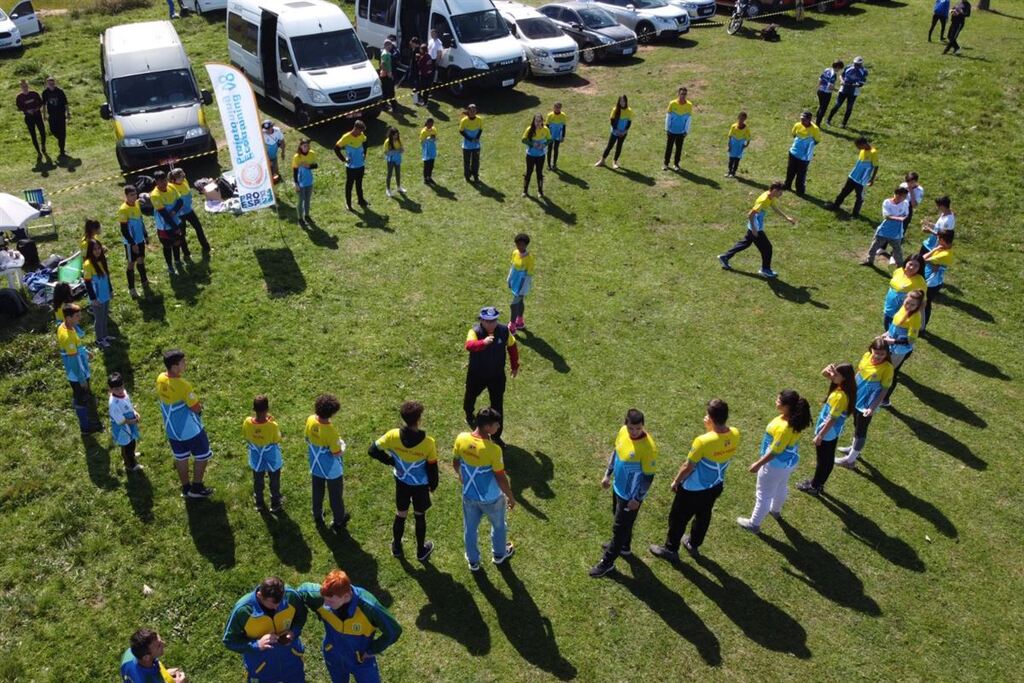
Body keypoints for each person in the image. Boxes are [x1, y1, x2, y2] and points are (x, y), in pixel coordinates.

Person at [649, 399, 740, 561]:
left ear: (711, 418)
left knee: (678, 518)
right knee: (703, 515)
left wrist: (676, 481)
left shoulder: (702, 441)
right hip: (715, 486)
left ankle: (671, 549)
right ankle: (693, 543)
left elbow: (688, 466)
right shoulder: (735, 433)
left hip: (694, 489)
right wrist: (710, 429)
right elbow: (718, 444)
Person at [297, 570, 402, 683]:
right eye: (324, 599)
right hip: (333, 655)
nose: (325, 604)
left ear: (346, 596)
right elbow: (299, 593)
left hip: (361, 660)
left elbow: (394, 631)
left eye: (330, 601)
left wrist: (372, 650)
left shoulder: (369, 607)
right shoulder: (320, 596)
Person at [589, 409, 658, 578]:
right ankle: (624, 547)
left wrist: (637, 498)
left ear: (643, 426)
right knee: (619, 519)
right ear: (625, 425)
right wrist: (607, 474)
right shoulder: (622, 432)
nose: (634, 432)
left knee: (619, 529)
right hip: (618, 488)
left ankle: (607, 563)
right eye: (631, 428)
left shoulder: (648, 448)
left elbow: (648, 477)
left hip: (631, 497)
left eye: (638, 428)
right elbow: (616, 453)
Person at [367, 400, 439, 561]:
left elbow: (372, 450)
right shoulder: (428, 443)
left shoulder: (392, 435)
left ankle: (397, 547)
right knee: (419, 515)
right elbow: (432, 468)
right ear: (419, 419)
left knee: (401, 514)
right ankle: (421, 551)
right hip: (420, 486)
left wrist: (391, 461)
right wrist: (433, 485)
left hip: (401, 482)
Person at [736, 390, 812, 533]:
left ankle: (754, 524)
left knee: (763, 495)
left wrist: (758, 464)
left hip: (774, 466)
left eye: (779, 400)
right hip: (787, 463)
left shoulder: (784, 428)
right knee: (781, 486)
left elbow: (775, 451)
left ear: (787, 406)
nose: (776, 401)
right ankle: (775, 511)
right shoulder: (792, 419)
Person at [453, 407, 516, 571]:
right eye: (497, 425)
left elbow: (455, 462)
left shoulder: (461, 438)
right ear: (488, 427)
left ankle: (473, 561)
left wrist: (461, 477)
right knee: (499, 526)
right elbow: (500, 478)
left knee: (470, 528)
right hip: (491, 498)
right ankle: (499, 554)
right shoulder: (494, 450)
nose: (499, 427)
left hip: (469, 495)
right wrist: (510, 496)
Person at [222, 577, 308, 683]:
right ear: (259, 595)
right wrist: (257, 645)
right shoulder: (243, 610)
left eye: (280, 602)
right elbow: (229, 641)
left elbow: (301, 616)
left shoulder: (291, 596)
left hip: (291, 659)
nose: (278, 607)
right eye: (272, 603)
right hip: (261, 668)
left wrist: (293, 632)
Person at [156, 349, 213, 498]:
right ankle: (197, 488)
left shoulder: (161, 378)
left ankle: (186, 488)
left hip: (172, 431)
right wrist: (200, 408)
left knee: (181, 457)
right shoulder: (183, 385)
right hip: (190, 431)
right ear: (174, 367)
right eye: (183, 362)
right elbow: (195, 407)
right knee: (202, 455)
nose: (185, 364)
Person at [797, 363, 857, 496]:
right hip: (833, 431)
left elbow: (832, 419)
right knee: (828, 458)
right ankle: (818, 483)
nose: (832, 376)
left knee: (823, 460)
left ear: (844, 377)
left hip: (828, 431)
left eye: (836, 374)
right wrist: (830, 369)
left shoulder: (840, 397)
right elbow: (824, 373)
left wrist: (820, 436)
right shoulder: (844, 386)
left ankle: (815, 486)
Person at [463, 306, 520, 445]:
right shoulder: (475, 331)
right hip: (477, 375)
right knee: (470, 395)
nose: (491, 324)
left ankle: (496, 436)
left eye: (493, 320)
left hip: (497, 376)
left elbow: (512, 347)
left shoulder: (503, 331)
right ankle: (469, 415)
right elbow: (469, 345)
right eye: (487, 321)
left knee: (498, 405)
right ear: (481, 320)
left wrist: (514, 366)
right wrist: (483, 342)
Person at [834, 337, 894, 468]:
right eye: (876, 352)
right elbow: (859, 372)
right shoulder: (867, 356)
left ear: (887, 353)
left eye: (882, 354)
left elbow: (884, 390)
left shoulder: (888, 368)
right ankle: (854, 450)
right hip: (857, 396)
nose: (878, 356)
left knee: (861, 429)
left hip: (868, 403)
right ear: (871, 350)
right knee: (856, 423)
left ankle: (850, 461)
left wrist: (872, 407)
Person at [718, 180, 796, 279]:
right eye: (780, 192)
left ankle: (725, 257)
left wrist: (786, 218)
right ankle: (765, 269)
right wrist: (755, 229)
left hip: (755, 226)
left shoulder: (770, 196)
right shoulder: (764, 200)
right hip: (756, 227)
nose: (782, 194)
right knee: (767, 248)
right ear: (775, 190)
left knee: (745, 243)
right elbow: (750, 214)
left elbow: (774, 207)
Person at [57, 304, 102, 434]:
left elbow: (77, 346)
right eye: (77, 316)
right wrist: (81, 378)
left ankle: (84, 409)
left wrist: (86, 352)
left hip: (78, 368)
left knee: (81, 395)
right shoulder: (68, 337)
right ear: (68, 317)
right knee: (80, 399)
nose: (80, 318)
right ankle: (86, 427)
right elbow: (73, 361)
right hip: (77, 373)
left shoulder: (64, 326)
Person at [306, 393, 349, 531]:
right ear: (332, 413)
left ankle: (317, 514)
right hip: (331, 470)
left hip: (316, 465)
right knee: (335, 496)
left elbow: (307, 438)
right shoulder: (330, 432)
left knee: (317, 491)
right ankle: (339, 520)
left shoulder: (310, 419)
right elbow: (337, 453)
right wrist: (343, 445)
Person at [880, 290, 924, 407]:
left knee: (891, 373)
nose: (909, 306)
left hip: (899, 350)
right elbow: (894, 325)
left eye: (913, 305)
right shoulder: (903, 308)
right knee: (885, 369)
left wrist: (893, 341)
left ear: (918, 306)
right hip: (891, 345)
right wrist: (886, 334)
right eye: (907, 302)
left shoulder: (915, 317)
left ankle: (885, 399)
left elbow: (911, 340)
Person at [243, 394, 284, 513]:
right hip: (271, 458)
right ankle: (275, 503)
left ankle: (259, 503)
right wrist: (271, 422)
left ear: (254, 409)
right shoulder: (272, 425)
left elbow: (246, 435)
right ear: (267, 409)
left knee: (258, 479)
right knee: (274, 480)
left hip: (256, 457)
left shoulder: (247, 422)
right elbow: (277, 439)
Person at [149, 171, 188, 275]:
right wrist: (175, 228)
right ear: (156, 182)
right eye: (161, 181)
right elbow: (165, 215)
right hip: (164, 226)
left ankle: (177, 260)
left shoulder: (171, 186)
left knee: (177, 242)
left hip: (176, 220)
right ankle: (170, 266)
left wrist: (174, 211)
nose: (164, 183)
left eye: (165, 180)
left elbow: (180, 201)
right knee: (167, 246)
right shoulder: (155, 195)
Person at [829, 137, 878, 217]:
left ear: (864, 144)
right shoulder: (862, 150)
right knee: (844, 192)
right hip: (853, 176)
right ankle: (835, 206)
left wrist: (872, 179)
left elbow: (876, 166)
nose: (858, 148)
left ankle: (855, 214)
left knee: (859, 197)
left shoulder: (873, 153)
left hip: (861, 180)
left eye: (859, 146)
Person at [862, 186, 910, 266]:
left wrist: (902, 217)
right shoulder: (887, 202)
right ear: (897, 195)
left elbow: (906, 214)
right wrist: (898, 218)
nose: (904, 198)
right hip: (884, 230)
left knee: (897, 250)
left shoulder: (905, 203)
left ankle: (900, 266)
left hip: (896, 232)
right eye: (903, 196)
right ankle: (869, 261)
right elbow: (886, 216)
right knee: (874, 247)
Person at [120, 629, 186, 683]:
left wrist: (164, 672)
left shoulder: (129, 653)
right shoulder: (149, 680)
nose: (164, 644)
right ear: (146, 657)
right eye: (159, 646)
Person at [118, 185, 150, 296]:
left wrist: (145, 235)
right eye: (131, 195)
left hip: (140, 239)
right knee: (131, 263)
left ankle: (144, 281)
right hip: (131, 243)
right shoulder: (123, 210)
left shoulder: (137, 203)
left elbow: (141, 220)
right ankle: (131, 289)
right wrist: (132, 243)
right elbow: (124, 230)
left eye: (135, 194)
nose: (134, 196)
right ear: (126, 196)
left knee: (141, 259)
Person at [169, 168, 211, 254]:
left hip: (189, 211)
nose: (183, 177)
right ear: (174, 179)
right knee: (182, 234)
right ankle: (186, 253)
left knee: (198, 228)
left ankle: (206, 247)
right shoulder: (171, 188)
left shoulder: (184, 181)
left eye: (183, 175)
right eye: (180, 176)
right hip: (179, 214)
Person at [82, 238, 114, 348]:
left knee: (104, 316)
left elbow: (107, 277)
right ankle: (99, 340)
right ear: (90, 250)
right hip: (97, 297)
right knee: (99, 319)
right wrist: (94, 299)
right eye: (94, 249)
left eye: (99, 248)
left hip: (105, 293)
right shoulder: (87, 264)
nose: (97, 251)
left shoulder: (102, 259)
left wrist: (110, 290)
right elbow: (88, 284)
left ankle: (105, 336)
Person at [109, 372, 143, 473]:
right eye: (116, 389)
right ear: (110, 389)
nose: (119, 391)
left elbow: (129, 405)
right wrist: (133, 421)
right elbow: (120, 420)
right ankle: (130, 465)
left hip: (130, 425)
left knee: (132, 442)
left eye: (121, 387)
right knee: (126, 445)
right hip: (123, 429)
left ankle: (131, 454)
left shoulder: (124, 393)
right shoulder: (113, 404)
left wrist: (135, 412)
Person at [882, 254, 927, 330]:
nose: (912, 267)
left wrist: (915, 317)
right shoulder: (898, 271)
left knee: (895, 332)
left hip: (902, 312)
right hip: (889, 307)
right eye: (910, 264)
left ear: (920, 268)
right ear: (906, 262)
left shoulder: (920, 281)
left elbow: (923, 302)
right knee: (886, 325)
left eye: (916, 266)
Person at [922, 230, 954, 330]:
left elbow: (923, 258)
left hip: (931, 283)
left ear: (943, 240)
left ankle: (922, 327)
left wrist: (934, 250)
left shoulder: (944, 254)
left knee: (925, 304)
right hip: (930, 279)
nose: (937, 240)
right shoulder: (944, 249)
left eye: (939, 238)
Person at [783, 110, 821, 195]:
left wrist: (806, 146)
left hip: (804, 157)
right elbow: (794, 134)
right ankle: (787, 185)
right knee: (790, 171)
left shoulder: (815, 129)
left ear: (809, 120)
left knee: (801, 175)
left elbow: (817, 140)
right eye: (801, 119)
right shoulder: (797, 125)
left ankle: (800, 190)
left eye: (804, 119)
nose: (802, 121)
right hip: (793, 153)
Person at [336, 121, 370, 210]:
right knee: (349, 185)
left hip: (360, 165)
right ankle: (348, 204)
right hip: (351, 167)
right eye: (360, 131)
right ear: (355, 129)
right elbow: (336, 148)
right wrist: (344, 159)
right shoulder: (346, 137)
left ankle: (361, 200)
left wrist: (364, 154)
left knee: (359, 184)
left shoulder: (361, 135)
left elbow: (365, 142)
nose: (361, 134)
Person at [828, 56, 868, 128]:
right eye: (855, 64)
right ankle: (828, 120)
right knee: (837, 105)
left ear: (861, 64)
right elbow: (841, 75)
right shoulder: (848, 67)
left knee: (849, 108)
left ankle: (843, 124)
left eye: (858, 65)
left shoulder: (864, 71)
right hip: (844, 89)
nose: (856, 66)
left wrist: (857, 84)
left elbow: (862, 82)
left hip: (854, 92)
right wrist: (842, 81)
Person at [507, 233, 534, 334]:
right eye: (518, 244)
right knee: (520, 302)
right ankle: (520, 321)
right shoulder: (515, 253)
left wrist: (522, 289)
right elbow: (513, 267)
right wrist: (509, 279)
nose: (519, 247)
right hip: (515, 282)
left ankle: (512, 326)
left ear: (526, 245)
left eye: (522, 245)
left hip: (522, 285)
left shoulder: (530, 259)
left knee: (513, 305)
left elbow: (528, 276)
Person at [595, 95, 632, 169]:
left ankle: (615, 162)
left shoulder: (629, 111)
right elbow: (612, 121)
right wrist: (616, 130)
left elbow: (629, 122)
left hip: (623, 133)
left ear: (626, 101)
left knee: (619, 146)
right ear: (619, 102)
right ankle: (602, 160)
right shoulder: (615, 110)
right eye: (621, 101)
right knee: (609, 146)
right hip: (615, 132)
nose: (622, 103)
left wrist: (625, 131)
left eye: (623, 101)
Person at [663, 87, 692, 171]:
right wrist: (667, 128)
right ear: (678, 94)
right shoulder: (672, 103)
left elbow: (688, 119)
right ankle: (666, 163)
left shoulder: (689, 105)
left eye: (685, 94)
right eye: (682, 94)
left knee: (679, 149)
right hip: (671, 131)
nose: (683, 96)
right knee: (669, 147)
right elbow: (668, 117)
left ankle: (676, 164)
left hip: (681, 132)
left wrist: (686, 131)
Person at [521, 113, 550, 198]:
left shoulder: (545, 129)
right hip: (530, 155)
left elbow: (549, 139)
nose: (537, 123)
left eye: (539, 121)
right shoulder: (529, 129)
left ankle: (540, 191)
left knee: (539, 173)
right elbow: (523, 140)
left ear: (542, 121)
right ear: (533, 121)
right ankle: (525, 191)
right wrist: (532, 144)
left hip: (541, 155)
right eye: (536, 121)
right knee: (528, 172)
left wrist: (544, 145)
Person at [15, 79, 47, 156]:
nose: (25, 88)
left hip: (38, 116)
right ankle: (38, 152)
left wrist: (36, 109)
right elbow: (19, 107)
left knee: (42, 132)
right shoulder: (19, 97)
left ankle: (43, 146)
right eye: (23, 87)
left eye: (26, 86)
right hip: (29, 118)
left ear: (28, 86)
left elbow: (41, 103)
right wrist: (27, 110)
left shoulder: (34, 94)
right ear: (21, 87)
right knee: (33, 135)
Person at [42, 76, 70, 157]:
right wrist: (44, 115)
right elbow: (44, 105)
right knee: (53, 130)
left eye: (52, 83)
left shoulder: (60, 91)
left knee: (63, 133)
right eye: (49, 83)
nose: (51, 84)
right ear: (47, 84)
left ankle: (62, 150)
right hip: (52, 115)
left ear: (55, 83)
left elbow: (66, 103)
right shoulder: (45, 93)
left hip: (61, 115)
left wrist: (68, 113)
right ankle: (60, 139)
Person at [292, 137, 318, 223]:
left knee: (307, 199)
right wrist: (296, 184)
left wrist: (309, 166)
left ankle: (307, 215)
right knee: (300, 200)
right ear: (300, 147)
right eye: (304, 146)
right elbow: (295, 171)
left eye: (307, 146)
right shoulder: (297, 157)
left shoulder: (312, 154)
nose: (306, 148)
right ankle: (300, 218)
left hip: (309, 181)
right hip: (300, 182)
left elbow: (316, 165)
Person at [459, 104, 484, 183]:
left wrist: (477, 138)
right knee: (467, 162)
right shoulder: (464, 120)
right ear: (468, 111)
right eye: (471, 110)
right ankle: (467, 176)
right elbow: (461, 131)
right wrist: (469, 139)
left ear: (476, 111)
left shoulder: (479, 120)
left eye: (474, 110)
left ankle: (475, 176)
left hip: (476, 145)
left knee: (476, 162)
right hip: (466, 146)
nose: (473, 112)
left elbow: (480, 129)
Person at [815, 60, 843, 126]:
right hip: (826, 93)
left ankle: (816, 119)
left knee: (821, 106)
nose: (840, 70)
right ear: (837, 67)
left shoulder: (827, 69)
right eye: (840, 68)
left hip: (820, 91)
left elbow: (820, 79)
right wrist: (837, 90)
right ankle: (817, 124)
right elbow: (830, 86)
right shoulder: (834, 75)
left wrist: (819, 87)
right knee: (823, 109)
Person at [725, 111, 750, 178]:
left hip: (740, 146)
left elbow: (748, 137)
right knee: (731, 160)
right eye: (740, 118)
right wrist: (729, 145)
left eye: (743, 119)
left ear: (745, 119)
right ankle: (729, 171)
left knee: (736, 160)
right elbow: (730, 136)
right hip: (733, 145)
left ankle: (733, 173)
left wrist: (746, 145)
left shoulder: (746, 128)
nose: (741, 120)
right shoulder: (733, 126)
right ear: (738, 118)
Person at [383, 127, 406, 198]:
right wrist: (396, 151)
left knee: (398, 173)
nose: (396, 136)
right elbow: (386, 153)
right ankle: (388, 189)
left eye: (397, 135)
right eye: (395, 135)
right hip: (390, 160)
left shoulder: (399, 141)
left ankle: (399, 187)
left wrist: (399, 150)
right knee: (389, 174)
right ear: (391, 135)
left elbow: (402, 150)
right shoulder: (387, 142)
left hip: (398, 159)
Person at [545, 102, 566, 171]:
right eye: (556, 107)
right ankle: (548, 165)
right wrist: (547, 136)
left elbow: (564, 126)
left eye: (559, 107)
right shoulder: (550, 115)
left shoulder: (563, 115)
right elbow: (547, 126)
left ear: (560, 108)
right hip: (551, 135)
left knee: (556, 149)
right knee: (549, 149)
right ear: (553, 107)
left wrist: (563, 136)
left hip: (558, 135)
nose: (557, 109)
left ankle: (554, 164)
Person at [379, 40, 395, 113]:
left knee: (386, 90)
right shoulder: (385, 54)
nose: (391, 47)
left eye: (391, 45)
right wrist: (388, 72)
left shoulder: (386, 53)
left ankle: (384, 105)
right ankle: (388, 106)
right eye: (390, 45)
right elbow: (382, 64)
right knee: (389, 91)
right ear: (386, 46)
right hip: (386, 75)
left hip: (386, 74)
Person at [420, 118, 437, 184]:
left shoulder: (434, 129)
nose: (431, 125)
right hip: (426, 150)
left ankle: (429, 177)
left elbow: (435, 137)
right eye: (429, 124)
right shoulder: (423, 131)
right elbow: (421, 142)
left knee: (431, 164)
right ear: (426, 123)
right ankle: (425, 178)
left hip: (432, 148)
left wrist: (434, 138)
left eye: (432, 124)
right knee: (426, 165)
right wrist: (427, 139)